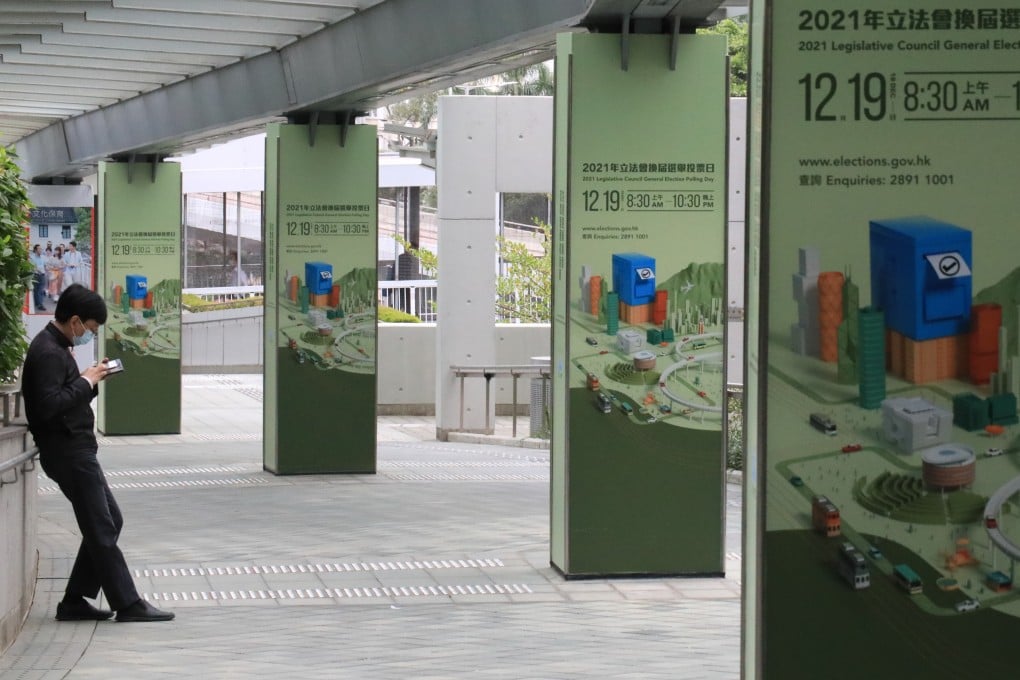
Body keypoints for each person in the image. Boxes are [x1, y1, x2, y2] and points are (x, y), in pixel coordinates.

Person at [20, 285, 175, 623]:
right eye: (90, 328)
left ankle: (75, 600)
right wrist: (85, 382)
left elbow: (63, 399)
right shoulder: (48, 352)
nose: (90, 334)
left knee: (109, 521)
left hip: (75, 450)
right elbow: (47, 407)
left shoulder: (55, 347)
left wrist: (91, 380)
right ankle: (128, 603)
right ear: (75, 321)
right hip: (68, 452)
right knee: (101, 526)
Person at [29, 244, 48, 312]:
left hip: (42, 275)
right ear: (35, 250)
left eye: (41, 249)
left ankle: (40, 304)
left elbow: (45, 265)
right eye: (39, 249)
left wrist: (45, 270)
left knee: (41, 290)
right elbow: (33, 267)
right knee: (36, 290)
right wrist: (38, 270)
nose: (40, 250)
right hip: (35, 275)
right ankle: (37, 303)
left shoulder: (43, 257)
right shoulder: (32, 257)